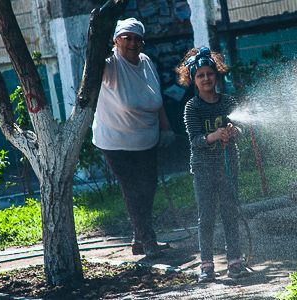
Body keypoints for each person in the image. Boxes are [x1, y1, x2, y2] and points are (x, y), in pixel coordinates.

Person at [92, 18, 175, 258]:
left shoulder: (147, 62)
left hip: (147, 139)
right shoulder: (108, 65)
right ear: (116, 40)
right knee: (133, 189)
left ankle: (140, 237)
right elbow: (92, 68)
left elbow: (157, 100)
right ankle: (148, 240)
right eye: (126, 37)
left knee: (148, 188)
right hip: (115, 140)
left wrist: (166, 128)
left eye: (137, 38)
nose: (132, 43)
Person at [178, 47, 249, 282]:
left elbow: (241, 129)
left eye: (209, 73)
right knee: (206, 217)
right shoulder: (192, 108)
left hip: (228, 166)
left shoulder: (228, 101)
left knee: (230, 213)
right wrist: (215, 136)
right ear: (193, 80)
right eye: (200, 75)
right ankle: (207, 265)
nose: (206, 78)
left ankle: (235, 261)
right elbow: (196, 140)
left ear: (216, 75)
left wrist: (233, 131)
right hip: (203, 169)